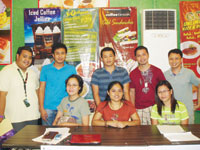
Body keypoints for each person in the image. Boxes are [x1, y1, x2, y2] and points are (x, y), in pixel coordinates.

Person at [0, 46, 40, 132]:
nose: (27, 60)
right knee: (16, 144)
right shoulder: (6, 71)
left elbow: (37, 91)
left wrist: (40, 108)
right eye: (24, 56)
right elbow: (2, 95)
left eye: (30, 57)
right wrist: (0, 115)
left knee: (31, 143)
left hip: (33, 115)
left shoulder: (33, 73)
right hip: (15, 118)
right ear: (17, 56)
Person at [39, 43, 76, 126]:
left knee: (65, 134)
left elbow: (75, 90)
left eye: (62, 53)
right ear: (53, 55)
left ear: (66, 55)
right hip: (48, 108)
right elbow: (41, 89)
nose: (60, 56)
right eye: (57, 53)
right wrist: (41, 108)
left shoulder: (71, 69)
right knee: (47, 135)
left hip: (66, 108)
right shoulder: (45, 69)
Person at [129, 46, 166, 125]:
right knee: (141, 134)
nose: (142, 58)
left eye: (144, 54)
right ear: (136, 58)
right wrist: (132, 110)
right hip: (139, 109)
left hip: (156, 107)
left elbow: (164, 89)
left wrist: (163, 105)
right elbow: (132, 92)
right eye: (139, 56)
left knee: (157, 133)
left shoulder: (157, 71)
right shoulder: (132, 74)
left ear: (148, 55)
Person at [164, 49, 200, 124]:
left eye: (176, 58)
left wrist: (199, 103)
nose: (174, 61)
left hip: (187, 111)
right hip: (170, 112)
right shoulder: (165, 75)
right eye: (171, 59)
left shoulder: (189, 73)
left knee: (188, 133)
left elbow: (199, 85)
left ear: (181, 60)